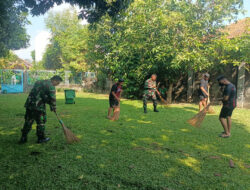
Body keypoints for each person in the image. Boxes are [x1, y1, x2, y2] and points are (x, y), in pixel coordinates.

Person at [19, 75, 63, 144]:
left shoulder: (38, 82)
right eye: (57, 83)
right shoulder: (51, 86)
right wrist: (53, 107)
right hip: (39, 107)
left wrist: (50, 104)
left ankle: (23, 137)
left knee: (28, 121)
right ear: (54, 80)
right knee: (41, 122)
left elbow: (41, 94)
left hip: (30, 104)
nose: (57, 85)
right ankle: (41, 138)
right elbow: (52, 99)